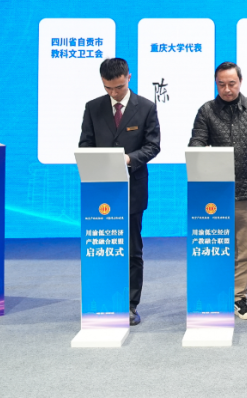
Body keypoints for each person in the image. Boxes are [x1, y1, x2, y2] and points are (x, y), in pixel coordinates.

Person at [78, 58, 161, 326]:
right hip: (101, 190)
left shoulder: (145, 107)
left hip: (132, 189)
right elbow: (85, 144)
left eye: (119, 87)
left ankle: (130, 304)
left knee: (132, 249)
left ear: (129, 77)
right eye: (108, 88)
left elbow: (153, 146)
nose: (114, 93)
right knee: (102, 247)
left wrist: (128, 159)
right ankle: (102, 298)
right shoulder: (93, 107)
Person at [188, 62, 247, 321]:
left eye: (231, 84)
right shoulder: (206, 110)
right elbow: (197, 140)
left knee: (243, 248)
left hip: (245, 189)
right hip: (214, 192)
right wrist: (198, 149)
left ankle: (239, 297)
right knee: (214, 244)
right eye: (221, 84)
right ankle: (214, 292)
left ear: (240, 82)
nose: (226, 89)